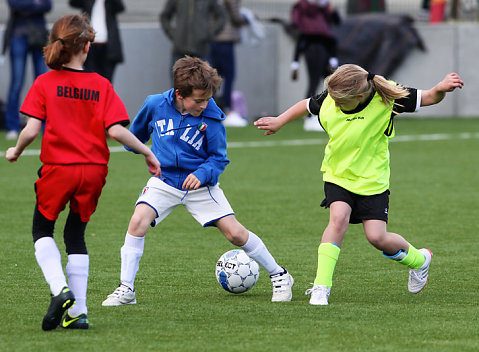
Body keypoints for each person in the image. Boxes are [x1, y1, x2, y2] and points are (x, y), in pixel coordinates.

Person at [254, 64, 464, 305]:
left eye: (341, 103)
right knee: (338, 218)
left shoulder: (387, 98)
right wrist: (280, 121)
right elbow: (306, 105)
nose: (335, 105)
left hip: (372, 180)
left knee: (377, 238)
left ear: (360, 96)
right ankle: (321, 287)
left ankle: (419, 260)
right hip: (337, 175)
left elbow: (428, 97)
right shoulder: (333, 96)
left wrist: (441, 88)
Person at [5, 14, 161, 330]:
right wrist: (147, 151)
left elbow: (31, 129)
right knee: (75, 234)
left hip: (58, 169)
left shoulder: (44, 82)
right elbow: (116, 131)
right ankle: (78, 311)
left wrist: (16, 150)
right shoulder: (101, 84)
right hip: (94, 171)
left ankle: (59, 288)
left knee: (42, 230)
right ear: (87, 46)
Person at [101, 56, 294, 306]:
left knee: (235, 234)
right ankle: (126, 289)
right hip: (164, 180)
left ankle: (279, 275)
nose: (204, 104)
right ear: (180, 94)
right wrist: (137, 147)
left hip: (201, 187)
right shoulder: (155, 104)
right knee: (138, 221)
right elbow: (134, 137)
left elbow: (219, 158)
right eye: (199, 100)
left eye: (208, 99)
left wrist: (201, 174)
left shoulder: (212, 116)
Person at [2, 0, 52, 140]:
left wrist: (27, 6)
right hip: (18, 35)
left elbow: (47, 5)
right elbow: (14, 4)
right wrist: (34, 4)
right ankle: (12, 126)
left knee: (43, 83)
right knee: (16, 82)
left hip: (39, 35)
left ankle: (45, 126)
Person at [290, 0, 341, 132]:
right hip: (314, 50)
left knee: (333, 82)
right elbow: (301, 32)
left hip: (324, 49)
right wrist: (295, 62)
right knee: (313, 82)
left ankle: (329, 113)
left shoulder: (323, 8)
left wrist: (331, 10)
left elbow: (336, 22)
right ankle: (309, 117)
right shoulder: (303, 7)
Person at [210, 0, 249, 127]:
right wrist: (246, 19)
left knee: (213, 77)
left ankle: (212, 108)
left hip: (212, 39)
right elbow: (235, 16)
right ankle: (226, 110)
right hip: (225, 39)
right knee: (229, 76)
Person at [69, 0, 125, 82]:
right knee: (90, 79)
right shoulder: (88, 2)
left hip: (108, 47)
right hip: (90, 46)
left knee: (107, 81)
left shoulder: (109, 3)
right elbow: (73, 3)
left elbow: (120, 7)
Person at [160, 0, 226, 68]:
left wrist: (209, 33)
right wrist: (173, 34)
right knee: (178, 78)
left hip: (201, 50)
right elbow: (165, 17)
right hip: (180, 51)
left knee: (205, 78)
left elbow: (221, 16)